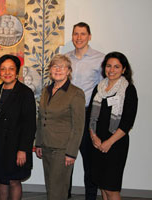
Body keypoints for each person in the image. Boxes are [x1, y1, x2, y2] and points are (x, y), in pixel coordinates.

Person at [0, 55, 36, 200]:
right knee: (1, 179)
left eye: (11, 69)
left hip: (16, 146)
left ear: (17, 72)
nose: (7, 72)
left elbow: (30, 125)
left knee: (14, 180)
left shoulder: (25, 93)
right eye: (3, 69)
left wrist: (23, 149)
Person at [89, 52, 138, 200]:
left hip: (116, 144)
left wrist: (109, 142)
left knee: (112, 189)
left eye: (116, 67)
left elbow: (128, 122)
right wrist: (93, 137)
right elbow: (90, 116)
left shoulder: (128, 90)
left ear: (123, 70)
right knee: (103, 187)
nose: (112, 70)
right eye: (109, 66)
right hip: (97, 143)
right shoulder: (99, 88)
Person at [35, 54, 85, 200]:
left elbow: (78, 126)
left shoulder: (75, 93)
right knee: (51, 187)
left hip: (62, 149)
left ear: (69, 71)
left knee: (58, 190)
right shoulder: (46, 90)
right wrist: (38, 143)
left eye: (62, 66)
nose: (58, 69)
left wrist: (71, 152)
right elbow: (40, 118)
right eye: (54, 66)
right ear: (50, 70)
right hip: (46, 146)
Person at [66, 22, 105, 199]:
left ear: (89, 36)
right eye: (76, 34)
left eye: (83, 34)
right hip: (67, 115)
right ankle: (64, 195)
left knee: (90, 162)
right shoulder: (65, 59)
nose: (79, 37)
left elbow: (105, 89)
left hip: (89, 114)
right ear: (72, 36)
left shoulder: (100, 59)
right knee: (66, 160)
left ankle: (90, 197)